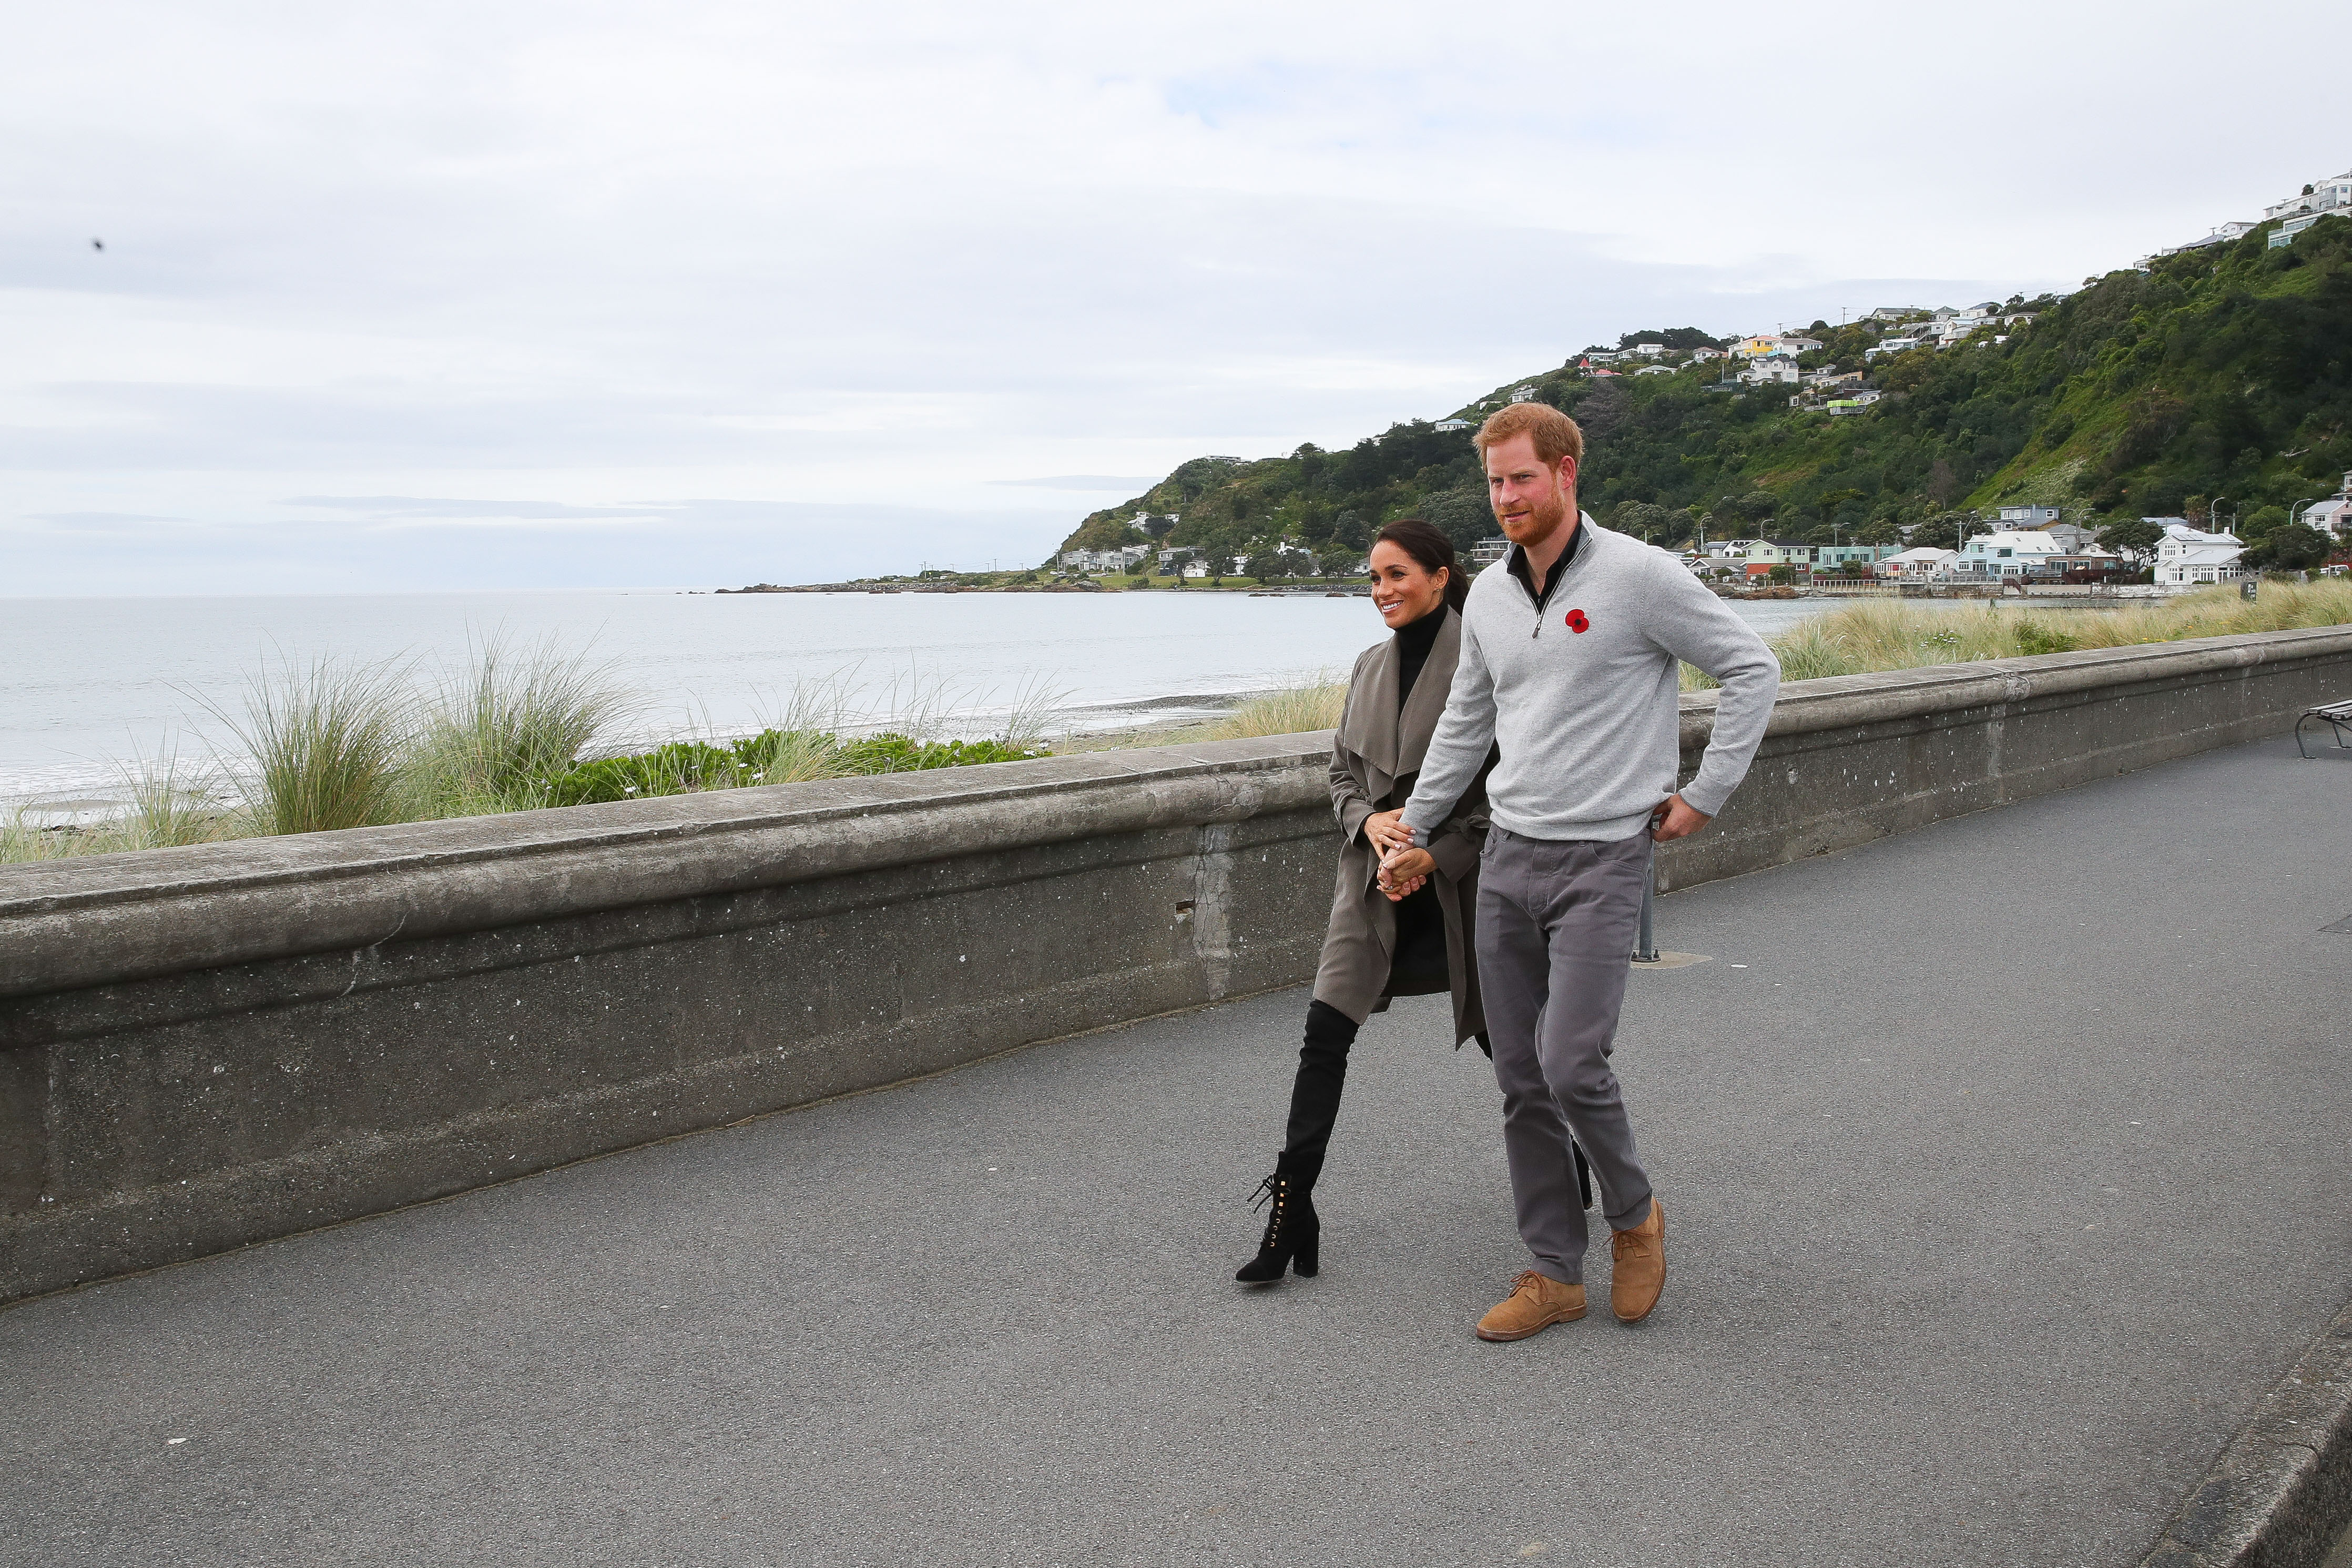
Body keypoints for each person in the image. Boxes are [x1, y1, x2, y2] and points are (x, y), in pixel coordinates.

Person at [1371, 402, 1780, 1340]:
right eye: (1493, 481)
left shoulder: (1640, 576)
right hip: (1508, 856)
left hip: (1604, 858)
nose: (1506, 497)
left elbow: (1751, 668)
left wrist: (1706, 792)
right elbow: (1467, 723)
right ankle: (1553, 1272)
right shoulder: (1489, 595)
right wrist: (1414, 828)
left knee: (1570, 1060)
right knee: (1519, 1074)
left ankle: (1633, 1216)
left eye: (1520, 478)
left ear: (1565, 473)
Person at [1235, 520, 1498, 1286]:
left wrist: (1433, 851)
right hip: (1370, 883)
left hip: (1459, 889)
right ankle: (1290, 1211)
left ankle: (1575, 1156)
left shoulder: (1486, 663)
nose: (1381, 589)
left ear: (1440, 576)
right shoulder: (1366, 664)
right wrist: (1369, 822)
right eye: (1373, 577)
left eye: (1396, 573)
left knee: (1511, 1049)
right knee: (1323, 1039)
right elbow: (1339, 774)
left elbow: (1508, 789)